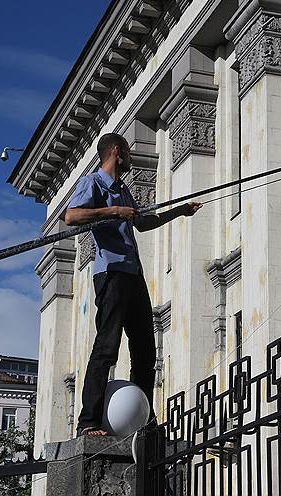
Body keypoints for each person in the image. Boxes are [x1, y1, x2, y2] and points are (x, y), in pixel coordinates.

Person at [65, 132, 201, 436]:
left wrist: (180, 211)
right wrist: (113, 211)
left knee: (145, 351)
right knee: (107, 346)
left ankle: (144, 422)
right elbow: (71, 217)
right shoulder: (94, 183)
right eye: (127, 151)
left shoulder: (124, 191)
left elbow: (142, 222)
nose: (131, 157)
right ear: (116, 151)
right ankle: (88, 422)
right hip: (111, 274)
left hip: (133, 275)